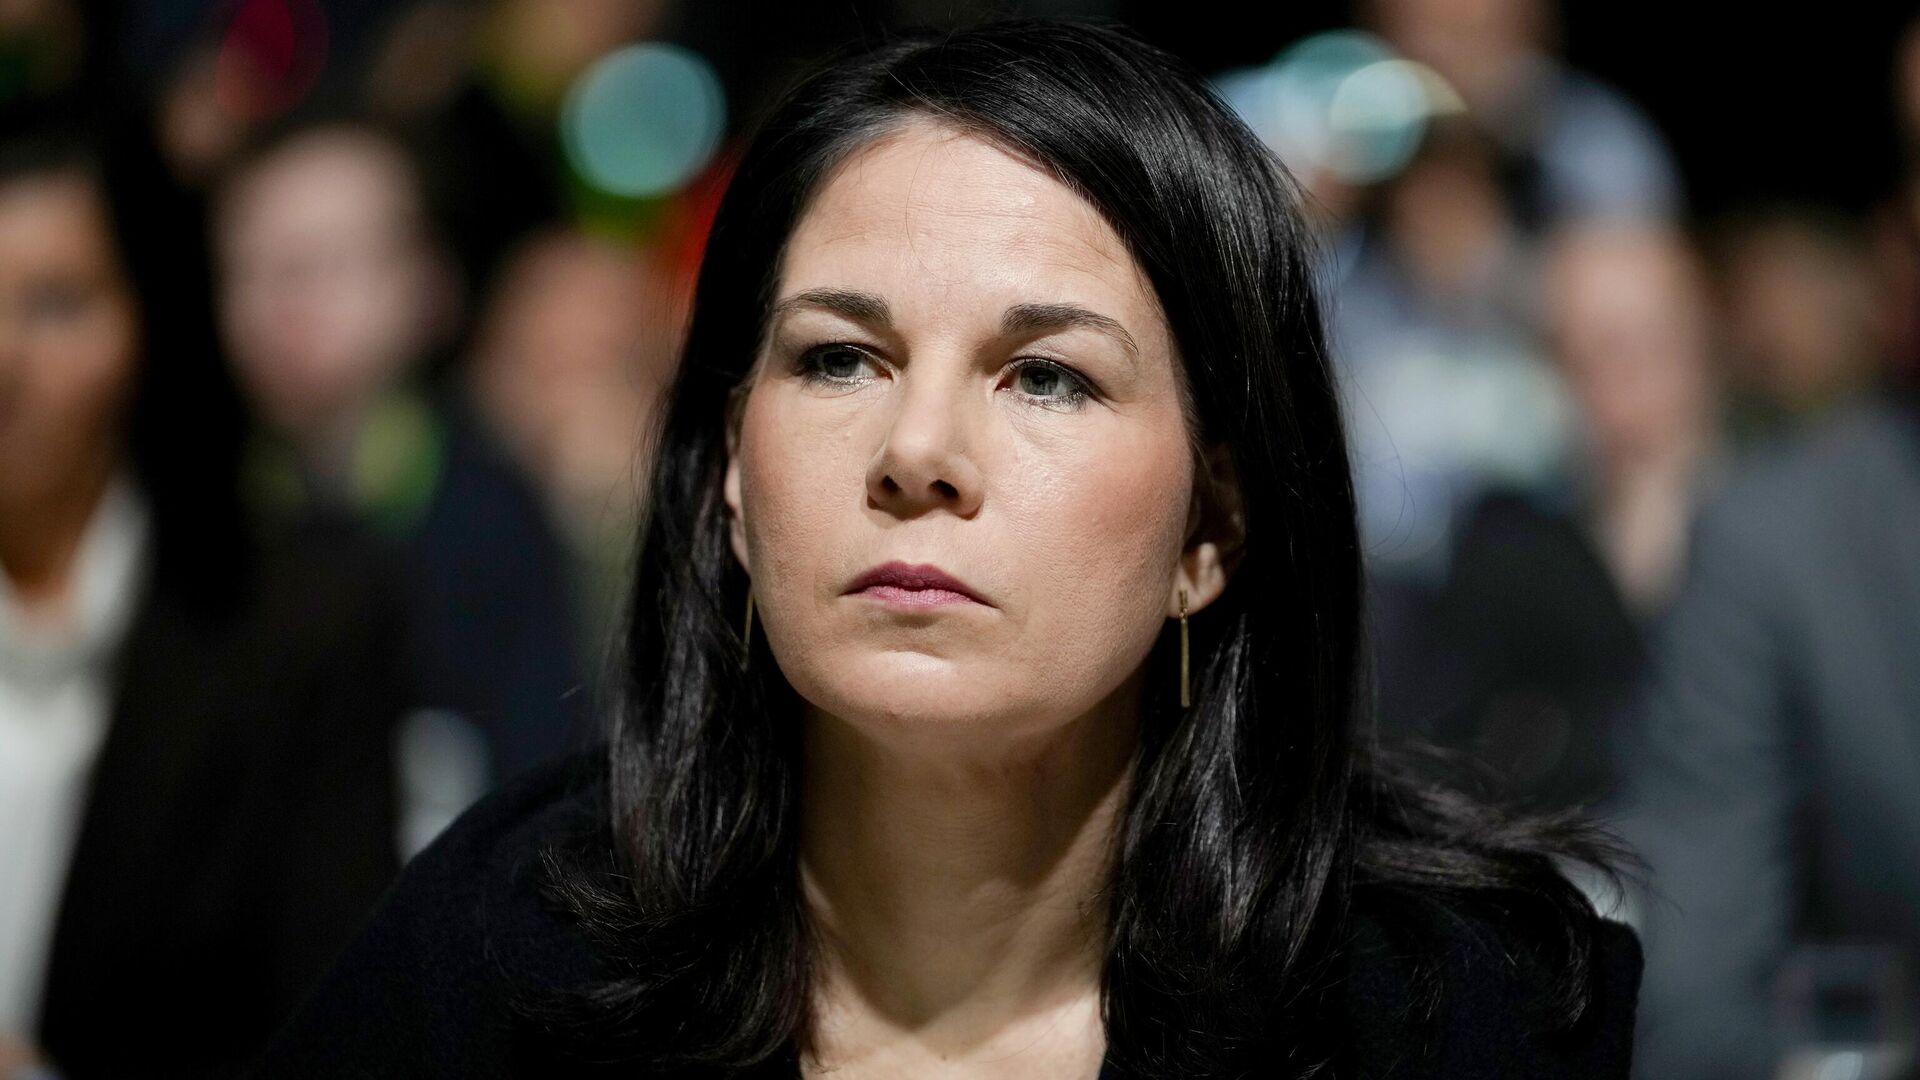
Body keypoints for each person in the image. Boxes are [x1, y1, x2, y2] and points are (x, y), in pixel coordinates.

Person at [251, 18, 1642, 1079]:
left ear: (1212, 526)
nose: (916, 451)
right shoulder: (501, 956)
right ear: (729, 472)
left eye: (1047, 377)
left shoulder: (1457, 1012)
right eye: (838, 358)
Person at [0, 105, 408, 1077]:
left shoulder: (295, 623)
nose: (2, 360)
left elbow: (327, 1030)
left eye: (55, 305)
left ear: (151, 317)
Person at [209, 114, 585, 795]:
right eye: (250, 267)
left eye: (325, 263)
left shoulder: (491, 522)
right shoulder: (194, 519)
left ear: (431, 283)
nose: (282, 302)